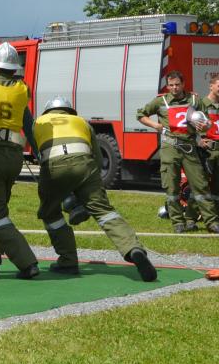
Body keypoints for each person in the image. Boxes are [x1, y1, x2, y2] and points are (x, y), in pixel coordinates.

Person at [32, 97, 157, 282]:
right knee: (105, 212)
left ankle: (68, 261)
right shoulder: (81, 121)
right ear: (69, 111)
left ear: (47, 111)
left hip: (54, 165)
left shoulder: (39, 122)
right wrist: (89, 185)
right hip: (85, 164)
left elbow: (38, 153)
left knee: (50, 213)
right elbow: (97, 157)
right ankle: (133, 250)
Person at [0, 42, 42, 279]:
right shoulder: (22, 89)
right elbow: (28, 124)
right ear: (14, 69)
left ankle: (26, 261)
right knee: (0, 205)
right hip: (14, 155)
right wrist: (38, 153)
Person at [136, 70, 208, 233]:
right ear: (167, 86)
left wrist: (203, 132)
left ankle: (192, 218)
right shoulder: (160, 101)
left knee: (199, 184)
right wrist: (155, 125)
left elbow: (206, 120)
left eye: (177, 84)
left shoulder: (194, 99)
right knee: (172, 186)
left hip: (189, 147)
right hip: (170, 147)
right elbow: (140, 114)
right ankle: (177, 223)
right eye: (171, 85)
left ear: (183, 84)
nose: (174, 88)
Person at [193, 73, 219, 233]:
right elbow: (189, 125)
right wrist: (198, 139)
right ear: (211, 86)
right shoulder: (201, 104)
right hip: (206, 152)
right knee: (201, 186)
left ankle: (218, 217)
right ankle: (191, 218)